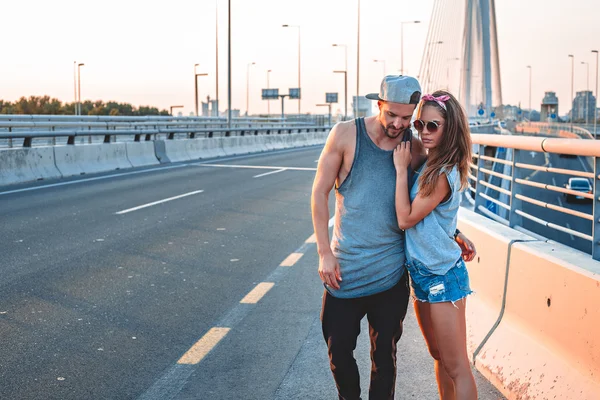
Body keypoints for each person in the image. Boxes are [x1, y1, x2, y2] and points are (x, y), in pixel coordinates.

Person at [311, 75, 476, 400]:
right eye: (394, 116)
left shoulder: (413, 149)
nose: (401, 124)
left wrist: (452, 231)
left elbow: (422, 206)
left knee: (386, 360)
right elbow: (319, 193)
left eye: (408, 118)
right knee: (339, 352)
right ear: (379, 105)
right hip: (348, 273)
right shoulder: (345, 134)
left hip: (395, 278)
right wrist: (323, 251)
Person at [393, 90, 477, 399]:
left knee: (457, 366)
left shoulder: (440, 172)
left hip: (443, 276)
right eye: (419, 125)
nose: (424, 133)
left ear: (449, 128)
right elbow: (436, 218)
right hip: (423, 276)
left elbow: (406, 219)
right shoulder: (431, 166)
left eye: (433, 126)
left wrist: (401, 170)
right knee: (440, 357)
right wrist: (455, 233)